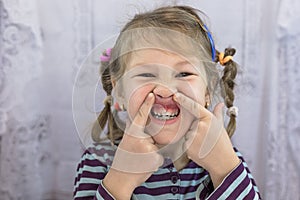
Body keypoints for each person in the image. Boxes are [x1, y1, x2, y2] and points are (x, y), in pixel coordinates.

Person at [73, 5, 261, 200]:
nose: (165, 90)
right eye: (146, 74)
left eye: (184, 74)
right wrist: (120, 181)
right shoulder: (99, 161)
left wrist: (223, 170)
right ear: (119, 90)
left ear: (207, 90)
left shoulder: (224, 158)